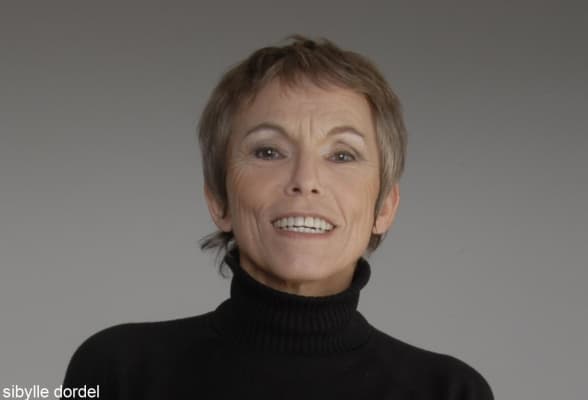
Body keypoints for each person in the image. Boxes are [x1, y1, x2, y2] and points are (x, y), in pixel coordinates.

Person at [61, 34, 494, 399]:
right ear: (219, 200)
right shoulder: (118, 371)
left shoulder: (449, 391)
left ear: (384, 208)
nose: (305, 180)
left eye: (342, 155)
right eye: (268, 151)